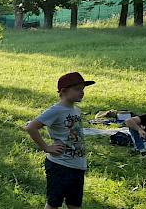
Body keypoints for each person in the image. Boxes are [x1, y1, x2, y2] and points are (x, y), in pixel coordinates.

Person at [25, 72, 94, 209]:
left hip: (77, 165)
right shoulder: (56, 110)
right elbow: (31, 127)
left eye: (83, 89)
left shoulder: (76, 110)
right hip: (60, 165)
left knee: (74, 204)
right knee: (53, 203)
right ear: (63, 91)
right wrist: (46, 147)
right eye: (77, 89)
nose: (82, 92)